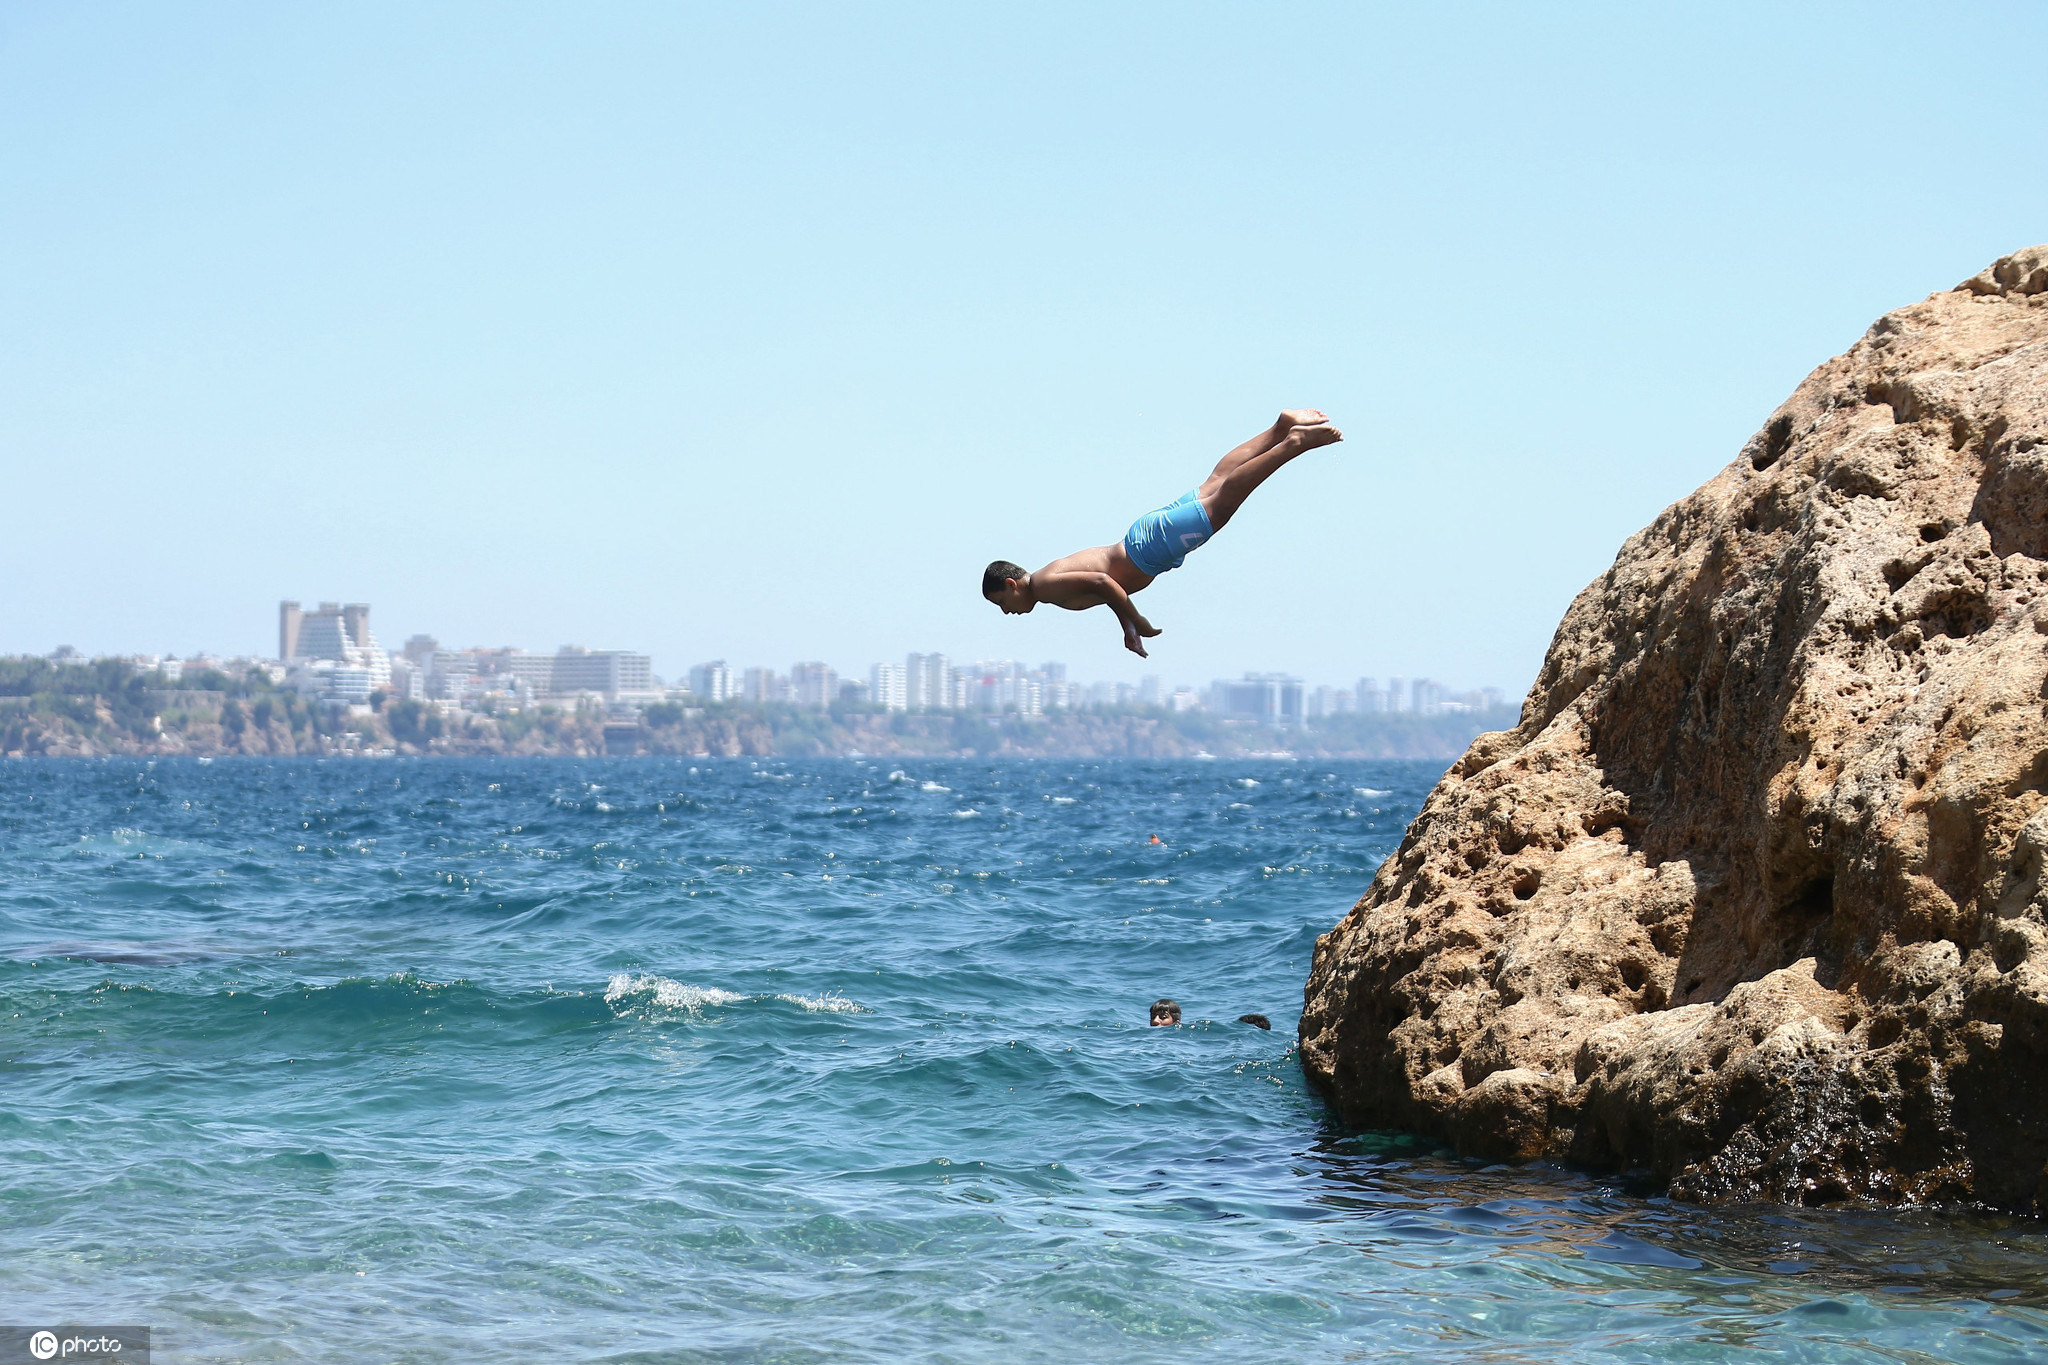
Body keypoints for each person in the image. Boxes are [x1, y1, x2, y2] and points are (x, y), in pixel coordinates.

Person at [982, 410, 1344, 656]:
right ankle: (1280, 428)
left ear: (1012, 585)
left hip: (1150, 549)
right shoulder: (1047, 583)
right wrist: (1127, 627)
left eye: (1002, 603)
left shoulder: (1044, 586)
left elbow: (1104, 585)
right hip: (1145, 540)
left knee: (1222, 504)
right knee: (1214, 484)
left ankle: (1292, 443)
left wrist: (1136, 618)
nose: (1006, 612)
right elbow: (1104, 586)